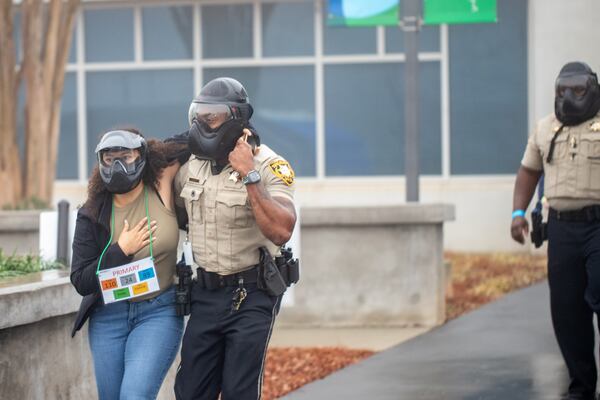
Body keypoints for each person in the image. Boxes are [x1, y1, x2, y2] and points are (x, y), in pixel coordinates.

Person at [173, 77, 297, 400]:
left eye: (211, 117)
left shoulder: (270, 164)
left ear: (236, 118)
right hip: (205, 294)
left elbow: (282, 229)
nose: (202, 123)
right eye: (199, 116)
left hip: (251, 294)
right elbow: (172, 210)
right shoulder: (191, 166)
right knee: (189, 392)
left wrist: (249, 175)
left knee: (239, 393)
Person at [70, 128, 184, 400]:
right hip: (109, 315)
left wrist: (240, 131)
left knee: (134, 395)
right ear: (100, 162)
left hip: (158, 311)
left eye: (127, 156)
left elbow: (190, 140)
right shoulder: (91, 213)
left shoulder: (161, 184)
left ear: (143, 156)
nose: (119, 165)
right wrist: (120, 250)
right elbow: (81, 279)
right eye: (110, 159)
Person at [511, 61, 600, 400]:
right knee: (567, 310)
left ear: (592, 90)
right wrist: (518, 212)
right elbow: (527, 172)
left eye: (577, 90)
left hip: (598, 226)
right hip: (561, 228)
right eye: (562, 91)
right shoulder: (546, 128)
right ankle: (581, 387)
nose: (568, 97)